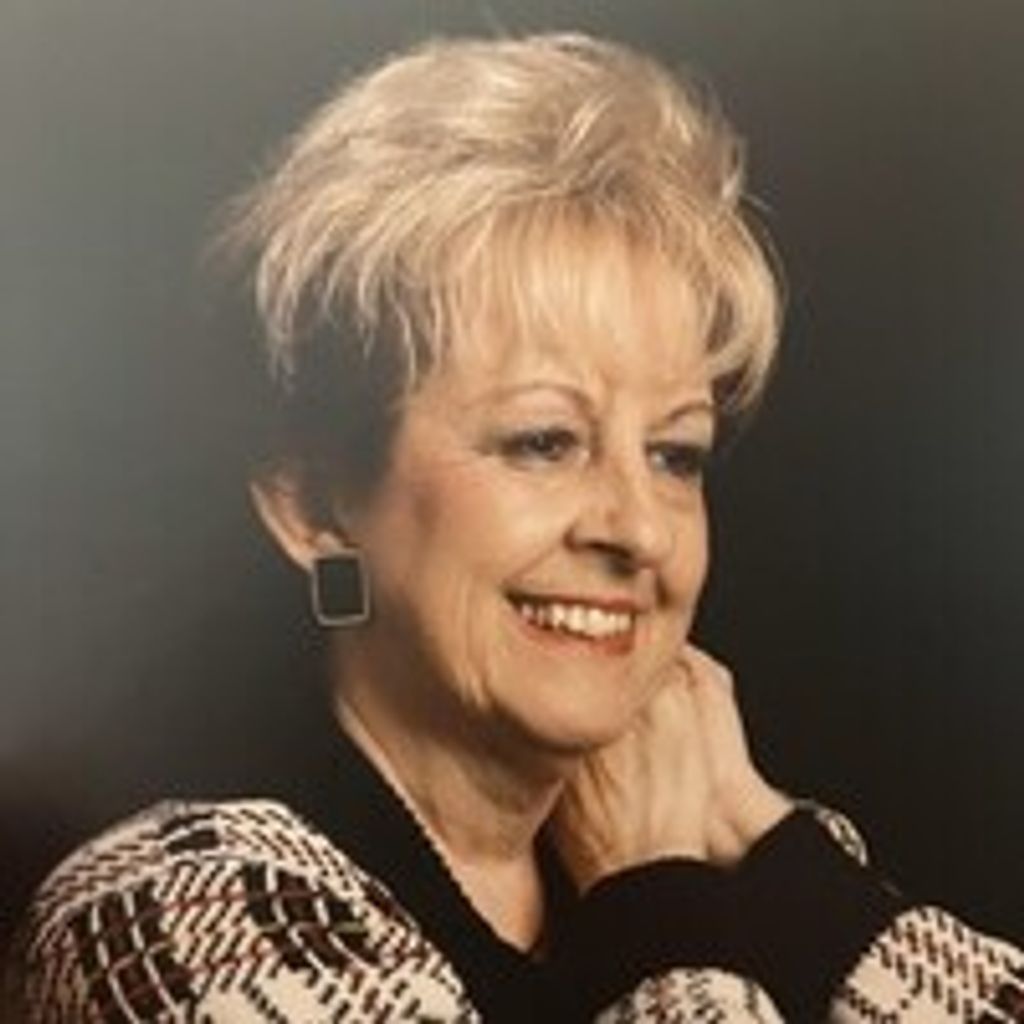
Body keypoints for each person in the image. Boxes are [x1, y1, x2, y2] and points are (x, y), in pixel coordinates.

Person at [10, 33, 1023, 1023]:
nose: (639, 530)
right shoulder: (174, 913)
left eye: (674, 454)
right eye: (543, 441)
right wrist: (657, 909)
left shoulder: (731, 874)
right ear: (314, 507)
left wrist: (781, 865)